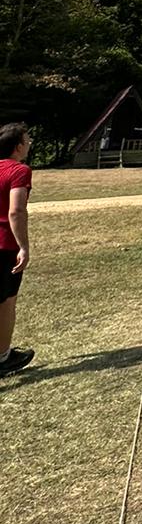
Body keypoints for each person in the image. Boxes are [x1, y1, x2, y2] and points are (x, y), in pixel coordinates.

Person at [0, 123, 35, 378]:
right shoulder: (20, 171)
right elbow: (16, 210)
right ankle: (3, 357)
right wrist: (23, 246)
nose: (30, 143)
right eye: (27, 139)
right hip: (4, 246)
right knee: (6, 301)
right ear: (18, 146)